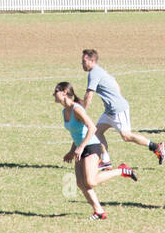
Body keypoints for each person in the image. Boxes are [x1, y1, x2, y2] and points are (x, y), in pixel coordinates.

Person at [55, 82, 138, 219]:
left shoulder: (77, 109)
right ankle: (99, 211)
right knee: (80, 183)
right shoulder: (65, 111)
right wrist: (72, 150)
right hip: (79, 148)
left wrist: (80, 147)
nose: (54, 94)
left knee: (91, 181)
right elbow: (76, 133)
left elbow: (92, 128)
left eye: (56, 91)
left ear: (64, 92)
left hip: (91, 146)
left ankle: (122, 170)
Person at [80, 49, 165, 167]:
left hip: (117, 110)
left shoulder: (94, 73)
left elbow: (89, 94)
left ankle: (156, 147)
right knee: (96, 132)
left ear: (92, 60)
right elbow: (116, 84)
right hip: (110, 110)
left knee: (126, 136)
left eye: (84, 61)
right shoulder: (100, 71)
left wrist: (82, 111)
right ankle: (105, 161)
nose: (82, 64)